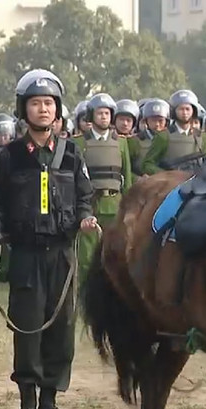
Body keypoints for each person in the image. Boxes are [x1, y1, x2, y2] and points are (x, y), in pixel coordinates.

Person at [0, 68, 98, 409]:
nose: (43, 109)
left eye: (49, 103)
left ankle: (50, 401)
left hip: (62, 254)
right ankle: (27, 404)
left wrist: (85, 219)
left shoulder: (72, 154)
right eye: (36, 103)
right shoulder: (10, 156)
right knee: (28, 327)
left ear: (58, 109)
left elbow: (85, 197)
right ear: (24, 109)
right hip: (25, 254)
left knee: (61, 329)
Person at [72, 93, 133, 289]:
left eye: (107, 113)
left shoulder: (121, 142)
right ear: (91, 115)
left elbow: (127, 176)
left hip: (115, 203)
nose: (104, 117)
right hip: (90, 204)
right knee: (87, 255)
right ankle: (85, 291)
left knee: (115, 252)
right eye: (100, 113)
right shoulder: (79, 142)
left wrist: (129, 206)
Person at [141, 90, 206, 174]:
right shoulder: (163, 136)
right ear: (174, 111)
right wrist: (167, 175)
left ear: (193, 111)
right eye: (181, 109)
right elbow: (147, 164)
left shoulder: (201, 136)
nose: (185, 113)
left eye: (187, 109)